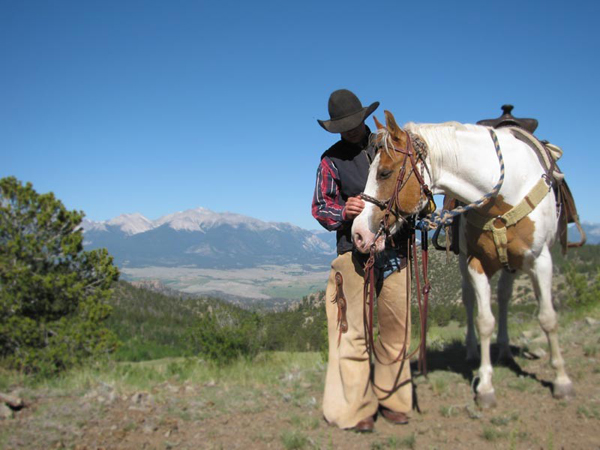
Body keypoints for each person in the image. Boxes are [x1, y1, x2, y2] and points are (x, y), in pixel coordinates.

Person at [312, 89, 412, 432]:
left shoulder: (387, 148)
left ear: (364, 119)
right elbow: (320, 207)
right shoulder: (331, 160)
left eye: (354, 124)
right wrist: (344, 210)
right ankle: (356, 409)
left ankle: (395, 399)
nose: (350, 131)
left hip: (395, 250)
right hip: (351, 256)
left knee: (396, 330)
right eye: (343, 127)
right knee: (352, 334)